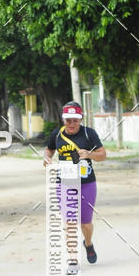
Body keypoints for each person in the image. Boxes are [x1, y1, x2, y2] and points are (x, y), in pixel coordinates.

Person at [43, 101, 106, 264]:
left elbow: (102, 155)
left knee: (85, 223)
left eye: (75, 120)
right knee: (70, 222)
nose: (71, 124)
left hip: (87, 183)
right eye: (68, 120)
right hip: (65, 183)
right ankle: (72, 258)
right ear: (63, 119)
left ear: (81, 119)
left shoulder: (88, 134)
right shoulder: (57, 134)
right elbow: (49, 149)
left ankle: (88, 243)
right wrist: (47, 158)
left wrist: (90, 155)